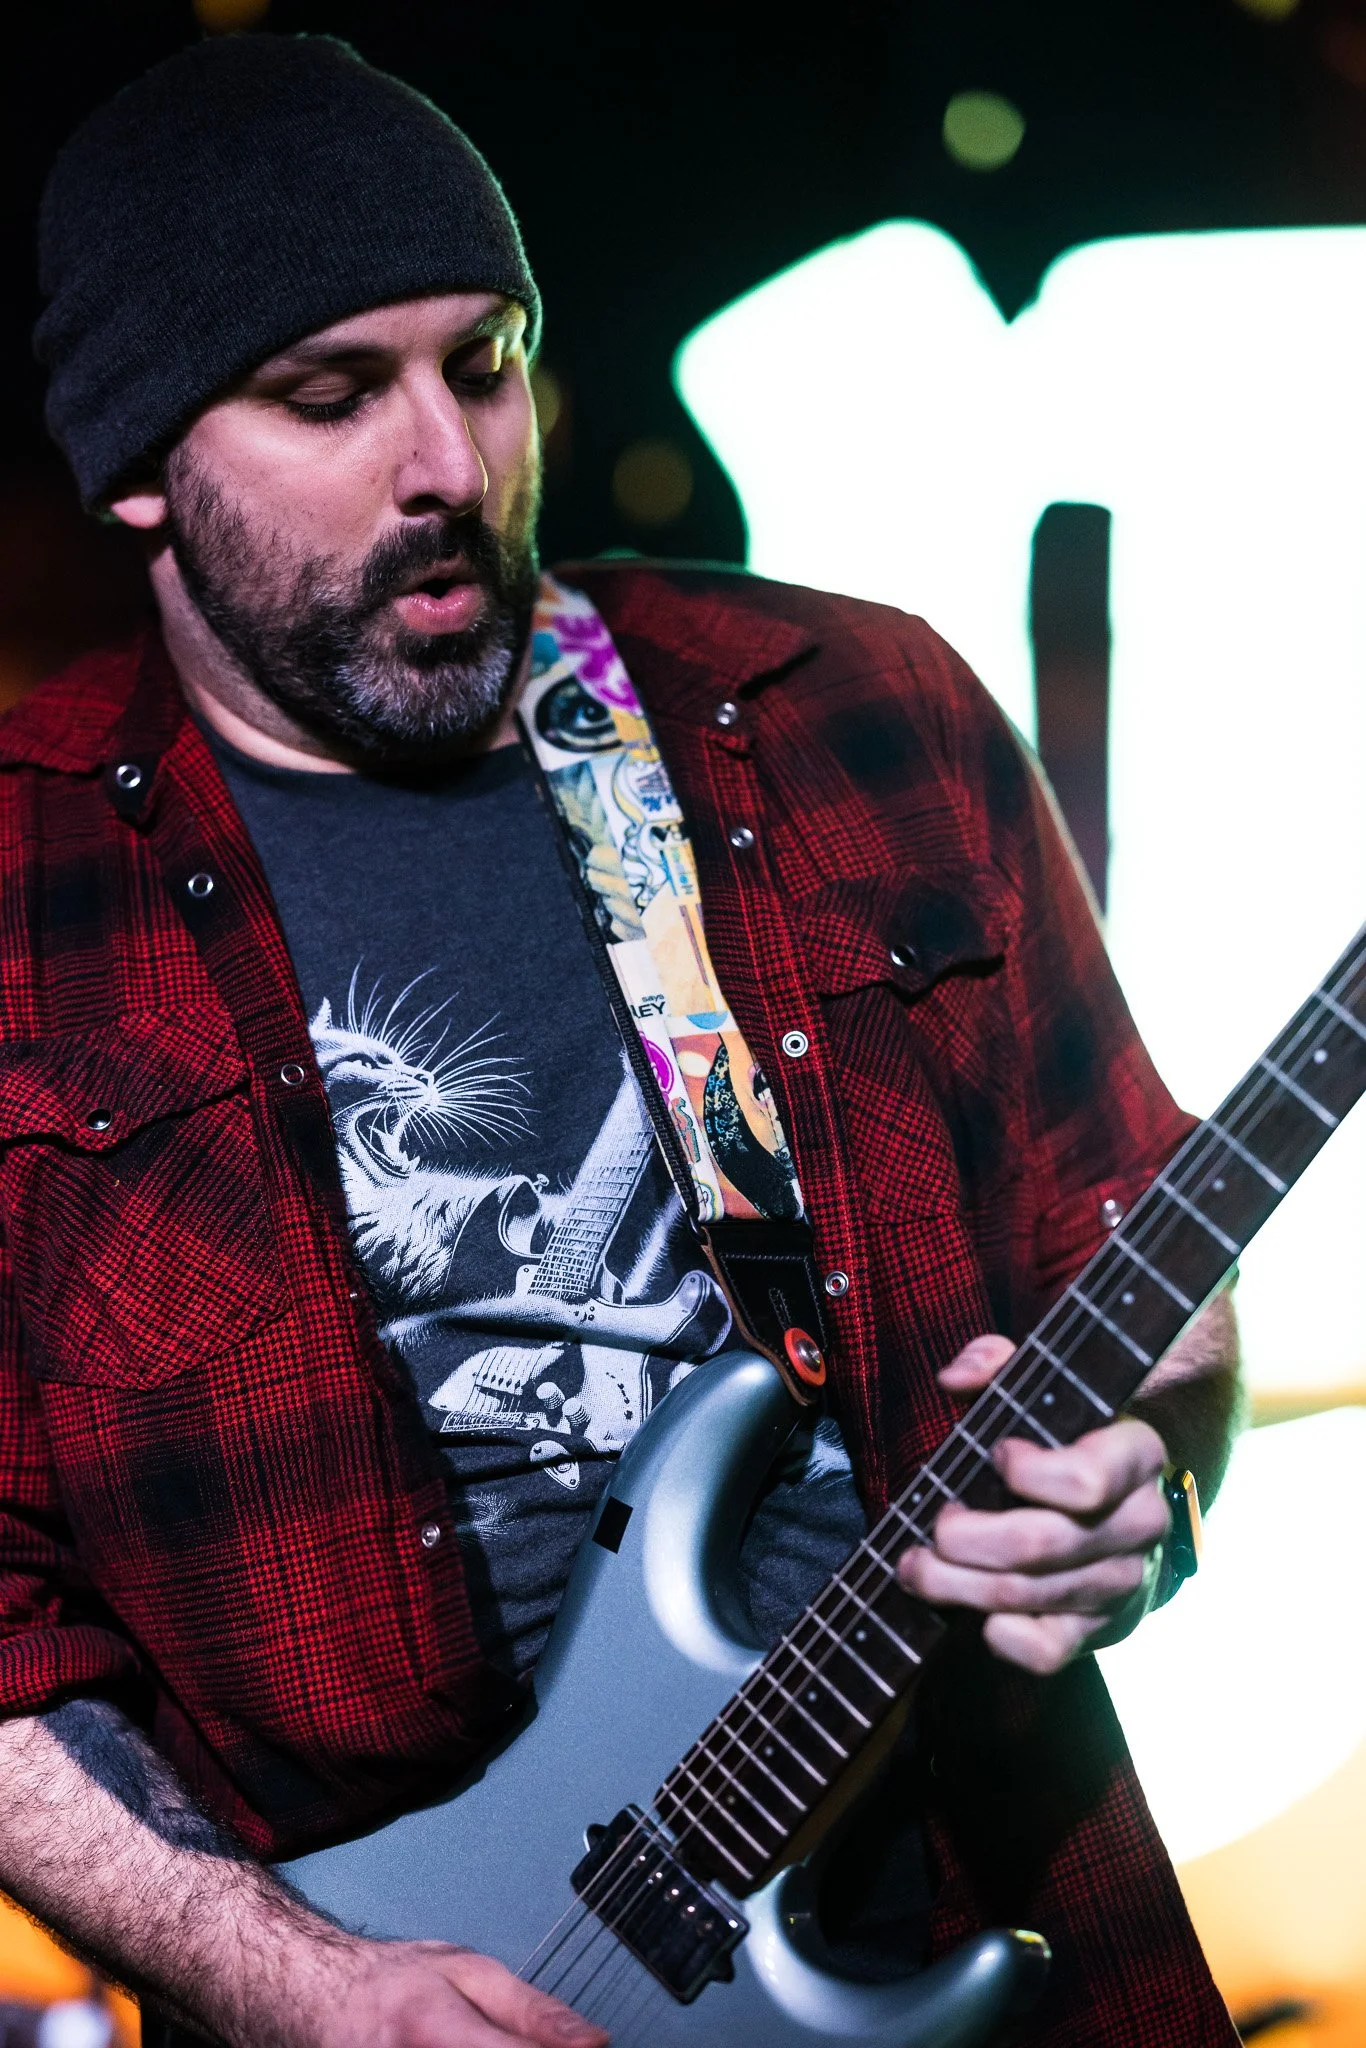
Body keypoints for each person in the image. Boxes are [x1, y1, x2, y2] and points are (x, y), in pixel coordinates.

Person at [0, 32, 1241, 2048]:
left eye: (482, 361)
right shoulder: (22, 903)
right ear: (139, 463)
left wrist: (1140, 1475)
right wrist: (289, 1978)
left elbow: (1139, 1264)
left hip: (976, 1930)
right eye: (329, 395)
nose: (446, 465)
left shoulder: (858, 715)